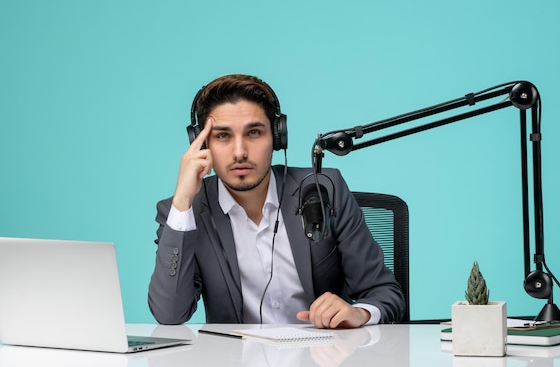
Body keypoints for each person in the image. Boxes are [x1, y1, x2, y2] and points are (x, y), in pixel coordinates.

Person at [148, 74, 405, 328]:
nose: (240, 152)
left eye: (254, 133)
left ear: (277, 137)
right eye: (223, 136)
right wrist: (182, 201)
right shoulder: (187, 212)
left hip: (325, 357)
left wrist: (359, 313)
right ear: (201, 144)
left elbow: (385, 292)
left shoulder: (325, 188)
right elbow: (170, 313)